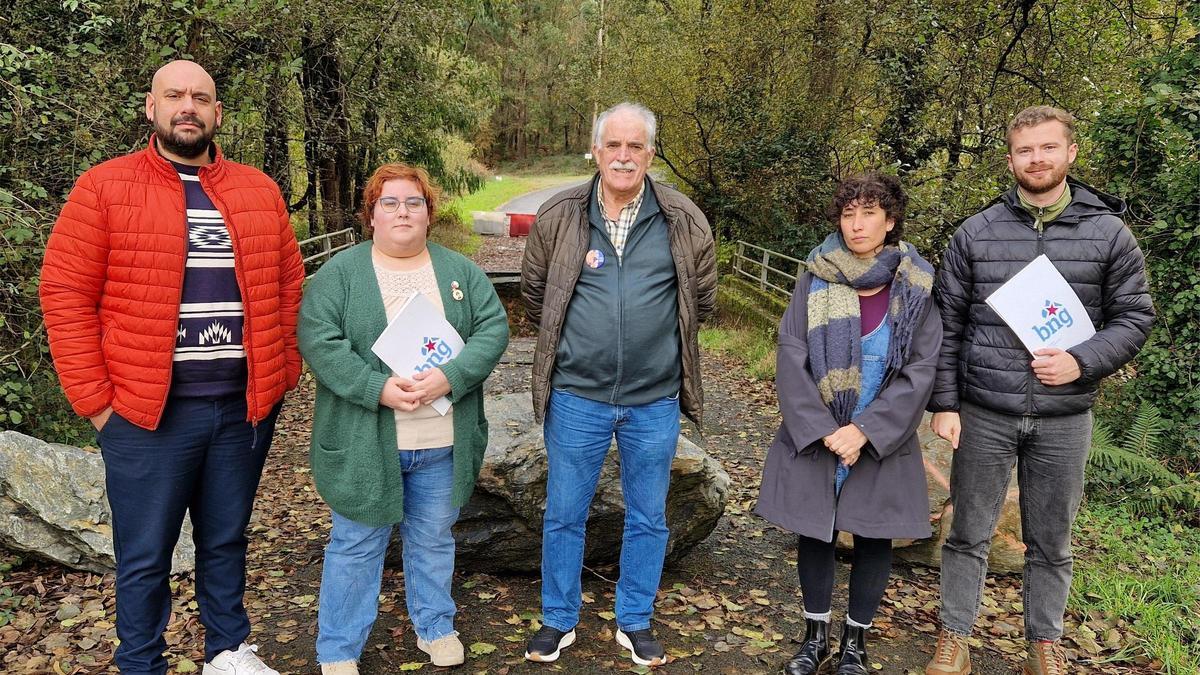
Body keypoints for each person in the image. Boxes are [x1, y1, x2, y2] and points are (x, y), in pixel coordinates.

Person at [39, 60, 303, 675]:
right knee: (145, 554)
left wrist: (283, 371)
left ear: (217, 113)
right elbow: (65, 293)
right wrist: (97, 403)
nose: (188, 106)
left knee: (225, 540)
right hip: (145, 413)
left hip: (242, 409)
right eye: (175, 95)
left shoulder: (258, 190)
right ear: (151, 108)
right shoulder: (104, 187)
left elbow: (289, 285)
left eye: (201, 97)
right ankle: (141, 662)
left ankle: (228, 653)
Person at [924, 106, 1154, 675]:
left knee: (1052, 540)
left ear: (1070, 153)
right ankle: (954, 638)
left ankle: (1042, 646)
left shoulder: (1109, 233)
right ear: (1010, 160)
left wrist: (1081, 361)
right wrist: (945, 403)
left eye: (1048, 147)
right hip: (985, 409)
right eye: (1025, 150)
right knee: (967, 532)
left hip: (1065, 415)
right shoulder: (976, 232)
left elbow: (1134, 317)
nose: (1037, 159)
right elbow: (946, 324)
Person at [519, 101, 717, 667]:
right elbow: (536, 296)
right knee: (564, 513)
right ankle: (558, 619)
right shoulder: (560, 214)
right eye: (613, 145)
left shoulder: (683, 218)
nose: (623, 156)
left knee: (649, 515)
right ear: (596, 151)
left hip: (653, 400)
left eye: (635, 146)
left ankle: (635, 618)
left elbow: (700, 301)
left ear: (650, 153)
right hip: (576, 396)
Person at [298, 162, 509, 674]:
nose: (402, 212)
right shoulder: (340, 275)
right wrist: (376, 388)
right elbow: (318, 340)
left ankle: (435, 626)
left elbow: (492, 329)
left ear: (428, 213)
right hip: (366, 443)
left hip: (441, 442)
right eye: (389, 202)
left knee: (433, 539)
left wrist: (450, 377)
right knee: (356, 543)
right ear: (371, 214)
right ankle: (339, 648)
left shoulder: (459, 273)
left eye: (414, 202)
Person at [755, 173, 942, 675]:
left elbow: (921, 369)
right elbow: (791, 353)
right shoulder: (814, 277)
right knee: (815, 531)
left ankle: (855, 645)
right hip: (820, 433)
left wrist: (865, 431)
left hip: (882, 438)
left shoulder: (917, 286)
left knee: (873, 535)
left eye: (869, 213)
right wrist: (824, 430)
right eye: (848, 214)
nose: (857, 224)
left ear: (890, 220)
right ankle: (813, 639)